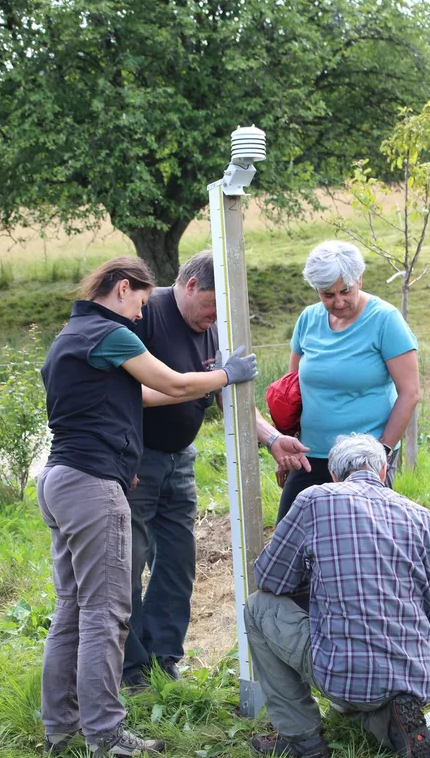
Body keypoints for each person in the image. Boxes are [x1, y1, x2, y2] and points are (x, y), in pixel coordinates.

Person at [38, 256, 257, 758]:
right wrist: (227, 375)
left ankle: (61, 728)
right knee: (105, 614)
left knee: (72, 607)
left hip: (61, 478)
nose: (141, 313)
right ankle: (107, 735)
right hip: (92, 486)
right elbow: (175, 385)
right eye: (139, 300)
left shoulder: (72, 334)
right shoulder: (108, 332)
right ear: (121, 288)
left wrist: (123, 455)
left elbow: (103, 407)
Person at [122, 250, 311, 689]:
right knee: (127, 562)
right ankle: (130, 667)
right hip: (136, 461)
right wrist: (215, 379)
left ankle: (163, 656)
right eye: (210, 305)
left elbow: (228, 395)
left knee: (177, 559)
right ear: (190, 286)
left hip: (179, 460)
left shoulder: (213, 327)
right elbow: (135, 390)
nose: (214, 317)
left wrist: (271, 438)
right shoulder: (146, 313)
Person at [245, 433, 430, 758]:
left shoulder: (315, 499)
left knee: (258, 607)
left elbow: (269, 579)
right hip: (413, 676)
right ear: (383, 471)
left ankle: (303, 741)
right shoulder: (425, 520)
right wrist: (427, 670)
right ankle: (397, 716)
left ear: (334, 475)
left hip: (342, 674)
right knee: (374, 695)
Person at [277, 240, 420, 522]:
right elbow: (292, 389)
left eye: (345, 291)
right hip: (310, 453)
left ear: (359, 280)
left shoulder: (385, 320)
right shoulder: (308, 319)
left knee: (362, 542)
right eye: (327, 294)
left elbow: (410, 393)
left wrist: (382, 452)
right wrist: (286, 444)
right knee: (290, 535)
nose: (338, 302)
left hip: (363, 460)